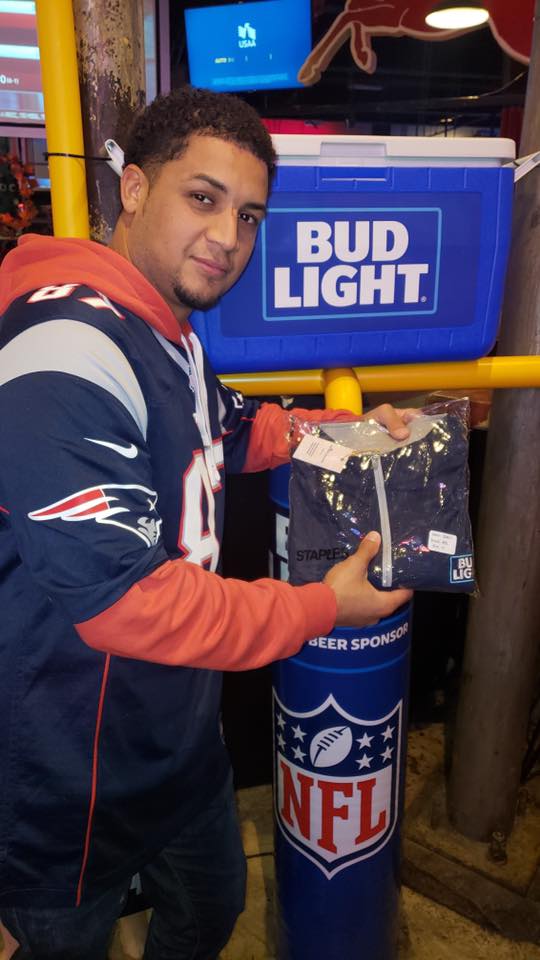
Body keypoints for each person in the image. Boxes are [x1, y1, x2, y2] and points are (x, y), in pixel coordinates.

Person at [0, 86, 412, 960]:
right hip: (62, 780)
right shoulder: (62, 349)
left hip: (175, 747)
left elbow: (232, 429)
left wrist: (351, 432)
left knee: (210, 911)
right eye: (203, 198)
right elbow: (125, 604)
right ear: (135, 189)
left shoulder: (166, 329)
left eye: (249, 215)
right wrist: (319, 608)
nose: (229, 237)